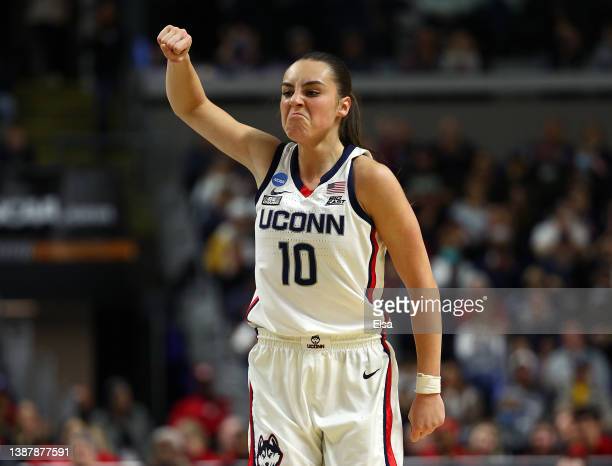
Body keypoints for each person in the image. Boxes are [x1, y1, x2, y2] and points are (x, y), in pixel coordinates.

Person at [157, 24, 445, 465]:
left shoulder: (370, 178)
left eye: (312, 92)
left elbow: (422, 283)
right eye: (287, 91)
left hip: (354, 364)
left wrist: (429, 385)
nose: (295, 100)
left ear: (342, 106)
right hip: (278, 361)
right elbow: (192, 106)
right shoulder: (267, 158)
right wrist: (180, 62)